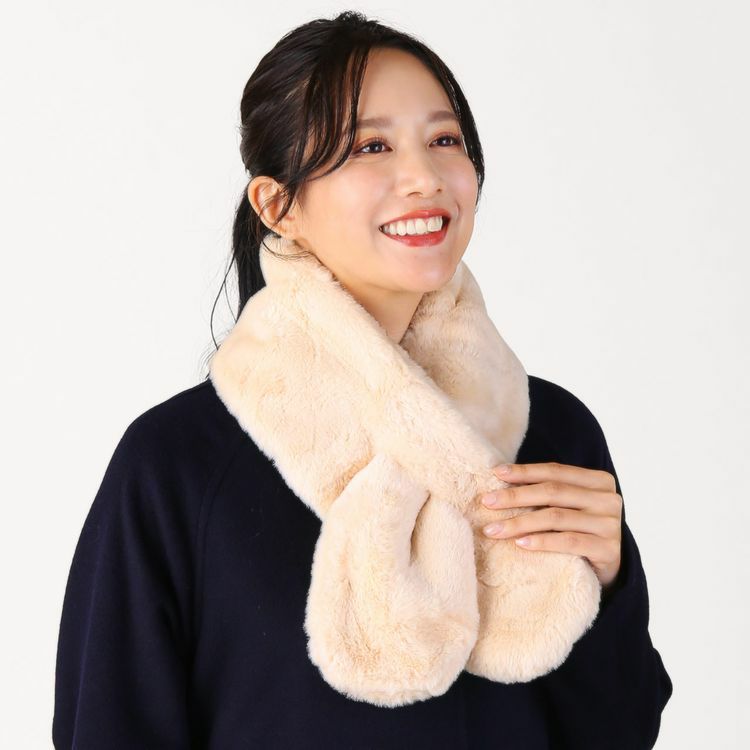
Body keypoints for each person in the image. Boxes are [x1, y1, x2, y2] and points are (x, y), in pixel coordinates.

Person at [52, 10, 673, 749]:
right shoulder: (178, 464)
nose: (425, 178)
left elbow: (619, 733)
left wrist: (611, 580)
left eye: (445, 140)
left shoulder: (553, 431)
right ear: (278, 206)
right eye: (370, 147)